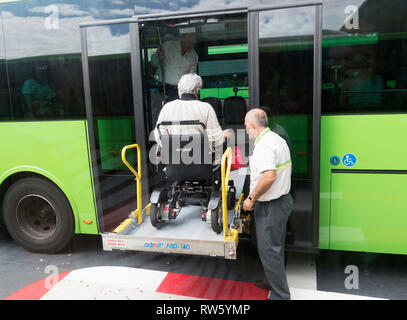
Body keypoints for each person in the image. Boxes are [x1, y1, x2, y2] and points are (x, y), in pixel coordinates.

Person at [242, 108, 293, 300]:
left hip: (271, 206)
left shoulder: (264, 145)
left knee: (269, 250)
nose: (246, 130)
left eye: (247, 126)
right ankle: (271, 280)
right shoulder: (277, 138)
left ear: (253, 126)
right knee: (275, 246)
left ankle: (281, 296)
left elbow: (269, 176)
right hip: (282, 202)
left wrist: (251, 198)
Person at [153, 73, 230, 164]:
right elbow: (215, 139)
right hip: (202, 164)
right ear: (198, 91)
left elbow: (159, 135)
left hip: (173, 164)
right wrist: (223, 135)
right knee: (227, 136)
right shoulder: (205, 108)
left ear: (179, 89)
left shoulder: (167, 107)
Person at [151, 32, 198, 101]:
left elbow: (192, 76)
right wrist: (158, 57)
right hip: (164, 88)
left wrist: (195, 93)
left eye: (193, 44)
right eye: (189, 43)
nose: (191, 46)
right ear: (182, 39)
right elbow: (153, 62)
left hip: (183, 90)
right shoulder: (167, 46)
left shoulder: (194, 56)